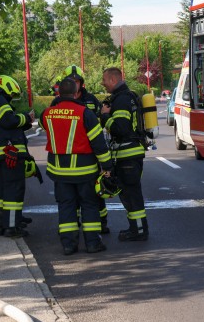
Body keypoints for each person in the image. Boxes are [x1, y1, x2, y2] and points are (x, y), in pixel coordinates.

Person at [40, 78, 113, 255]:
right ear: (76, 93)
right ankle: (93, 243)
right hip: (85, 171)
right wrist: (107, 165)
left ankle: (68, 245)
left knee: (66, 206)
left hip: (59, 171)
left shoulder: (47, 113)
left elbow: (46, 129)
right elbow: (98, 143)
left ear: (58, 93)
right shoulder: (85, 113)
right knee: (89, 205)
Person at [53, 65, 110, 233]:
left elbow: (98, 126)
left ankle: (102, 223)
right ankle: (76, 226)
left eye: (77, 81)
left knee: (95, 196)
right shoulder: (57, 102)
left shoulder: (91, 100)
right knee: (75, 200)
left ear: (81, 82)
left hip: (90, 155)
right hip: (68, 156)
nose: (75, 84)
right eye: (71, 81)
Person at [0, 75, 34, 238]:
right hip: (8, 152)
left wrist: (23, 123)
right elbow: (8, 121)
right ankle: (12, 226)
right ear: (7, 88)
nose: (11, 98)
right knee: (14, 190)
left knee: (4, 189)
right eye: (11, 95)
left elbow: (4, 125)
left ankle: (1, 223)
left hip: (0, 152)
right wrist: (26, 117)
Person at [100, 67, 149, 241]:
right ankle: (136, 228)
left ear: (113, 80)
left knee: (131, 195)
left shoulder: (121, 100)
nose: (102, 83)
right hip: (131, 153)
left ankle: (139, 231)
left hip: (127, 155)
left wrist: (105, 117)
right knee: (131, 194)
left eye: (104, 80)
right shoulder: (128, 96)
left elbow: (121, 128)